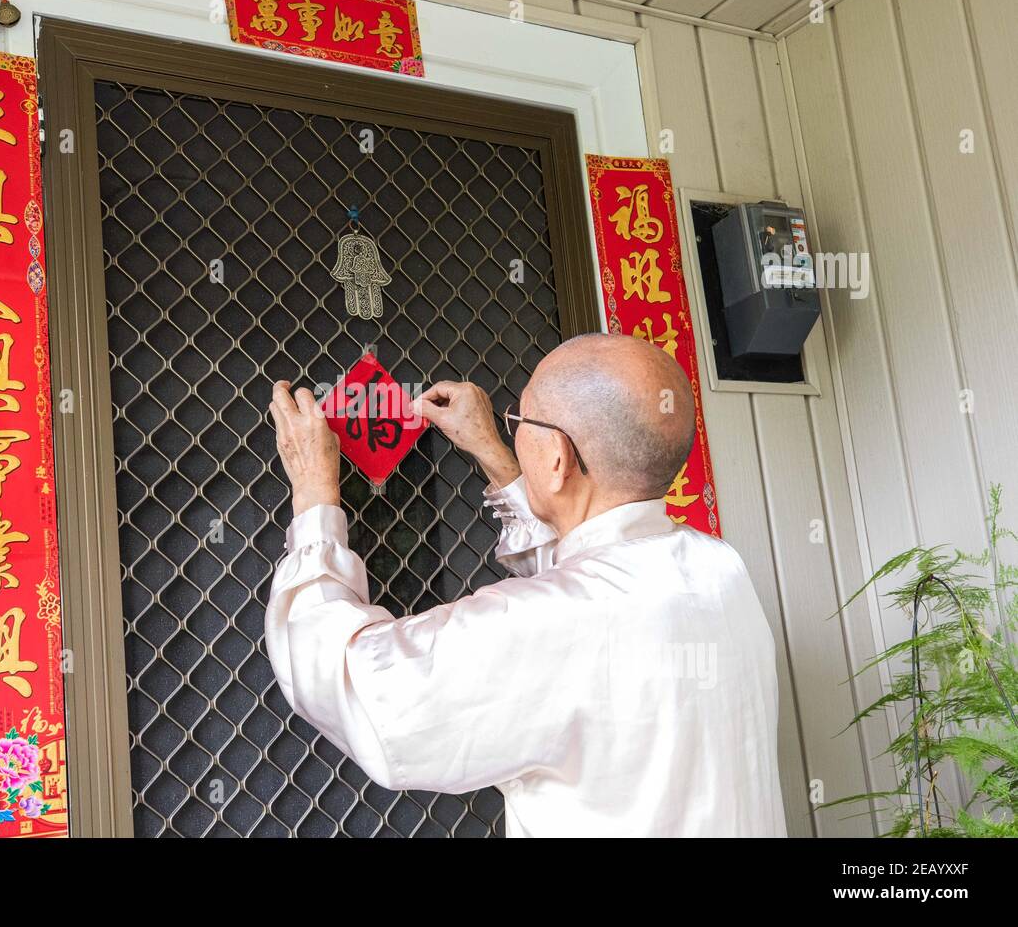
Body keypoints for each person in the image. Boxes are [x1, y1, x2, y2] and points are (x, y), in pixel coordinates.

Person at [265, 333, 787, 837]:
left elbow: (353, 680)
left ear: (558, 458)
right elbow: (589, 581)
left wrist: (314, 494)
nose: (510, 427)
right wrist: (494, 452)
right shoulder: (721, 571)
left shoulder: (555, 625)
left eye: (518, 420)